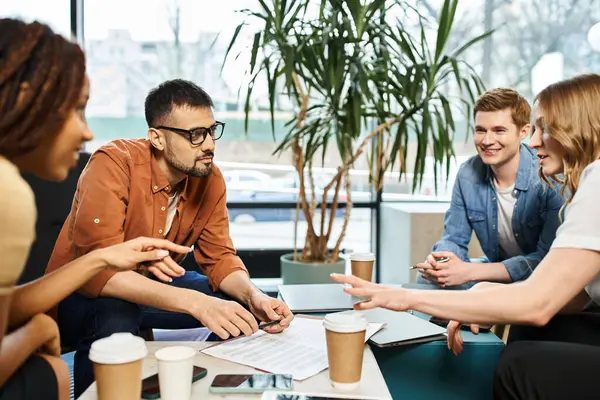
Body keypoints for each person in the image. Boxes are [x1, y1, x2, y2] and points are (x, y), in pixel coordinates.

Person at [332, 73, 600, 399]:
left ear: (579, 129)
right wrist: (481, 294)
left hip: (544, 291)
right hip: (557, 300)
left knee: (517, 363)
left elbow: (540, 300)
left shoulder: (588, 182)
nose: (535, 142)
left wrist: (403, 297)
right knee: (527, 330)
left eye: (545, 128)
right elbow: (575, 296)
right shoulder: (474, 173)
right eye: (481, 129)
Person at [45, 78, 294, 396]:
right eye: (194, 135)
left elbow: (220, 259)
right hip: (81, 295)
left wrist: (254, 297)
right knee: (115, 314)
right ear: (157, 138)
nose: (209, 145)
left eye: (211, 130)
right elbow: (99, 275)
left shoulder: (209, 178)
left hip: (151, 286)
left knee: (237, 305)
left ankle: (208, 389)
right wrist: (196, 303)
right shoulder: (113, 164)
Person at [0, 19, 193, 400]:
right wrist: (39, 331)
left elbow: (5, 307)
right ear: (25, 98)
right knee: (52, 370)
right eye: (76, 109)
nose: (86, 132)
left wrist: (101, 258)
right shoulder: (9, 192)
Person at [415, 88, 563, 289]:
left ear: (524, 132)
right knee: (425, 279)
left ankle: (472, 313)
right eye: (480, 130)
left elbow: (546, 259)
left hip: (539, 279)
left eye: (499, 130)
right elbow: (454, 239)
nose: (487, 141)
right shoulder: (468, 173)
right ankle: (464, 316)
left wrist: (468, 272)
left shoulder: (549, 175)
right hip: (494, 271)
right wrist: (442, 262)